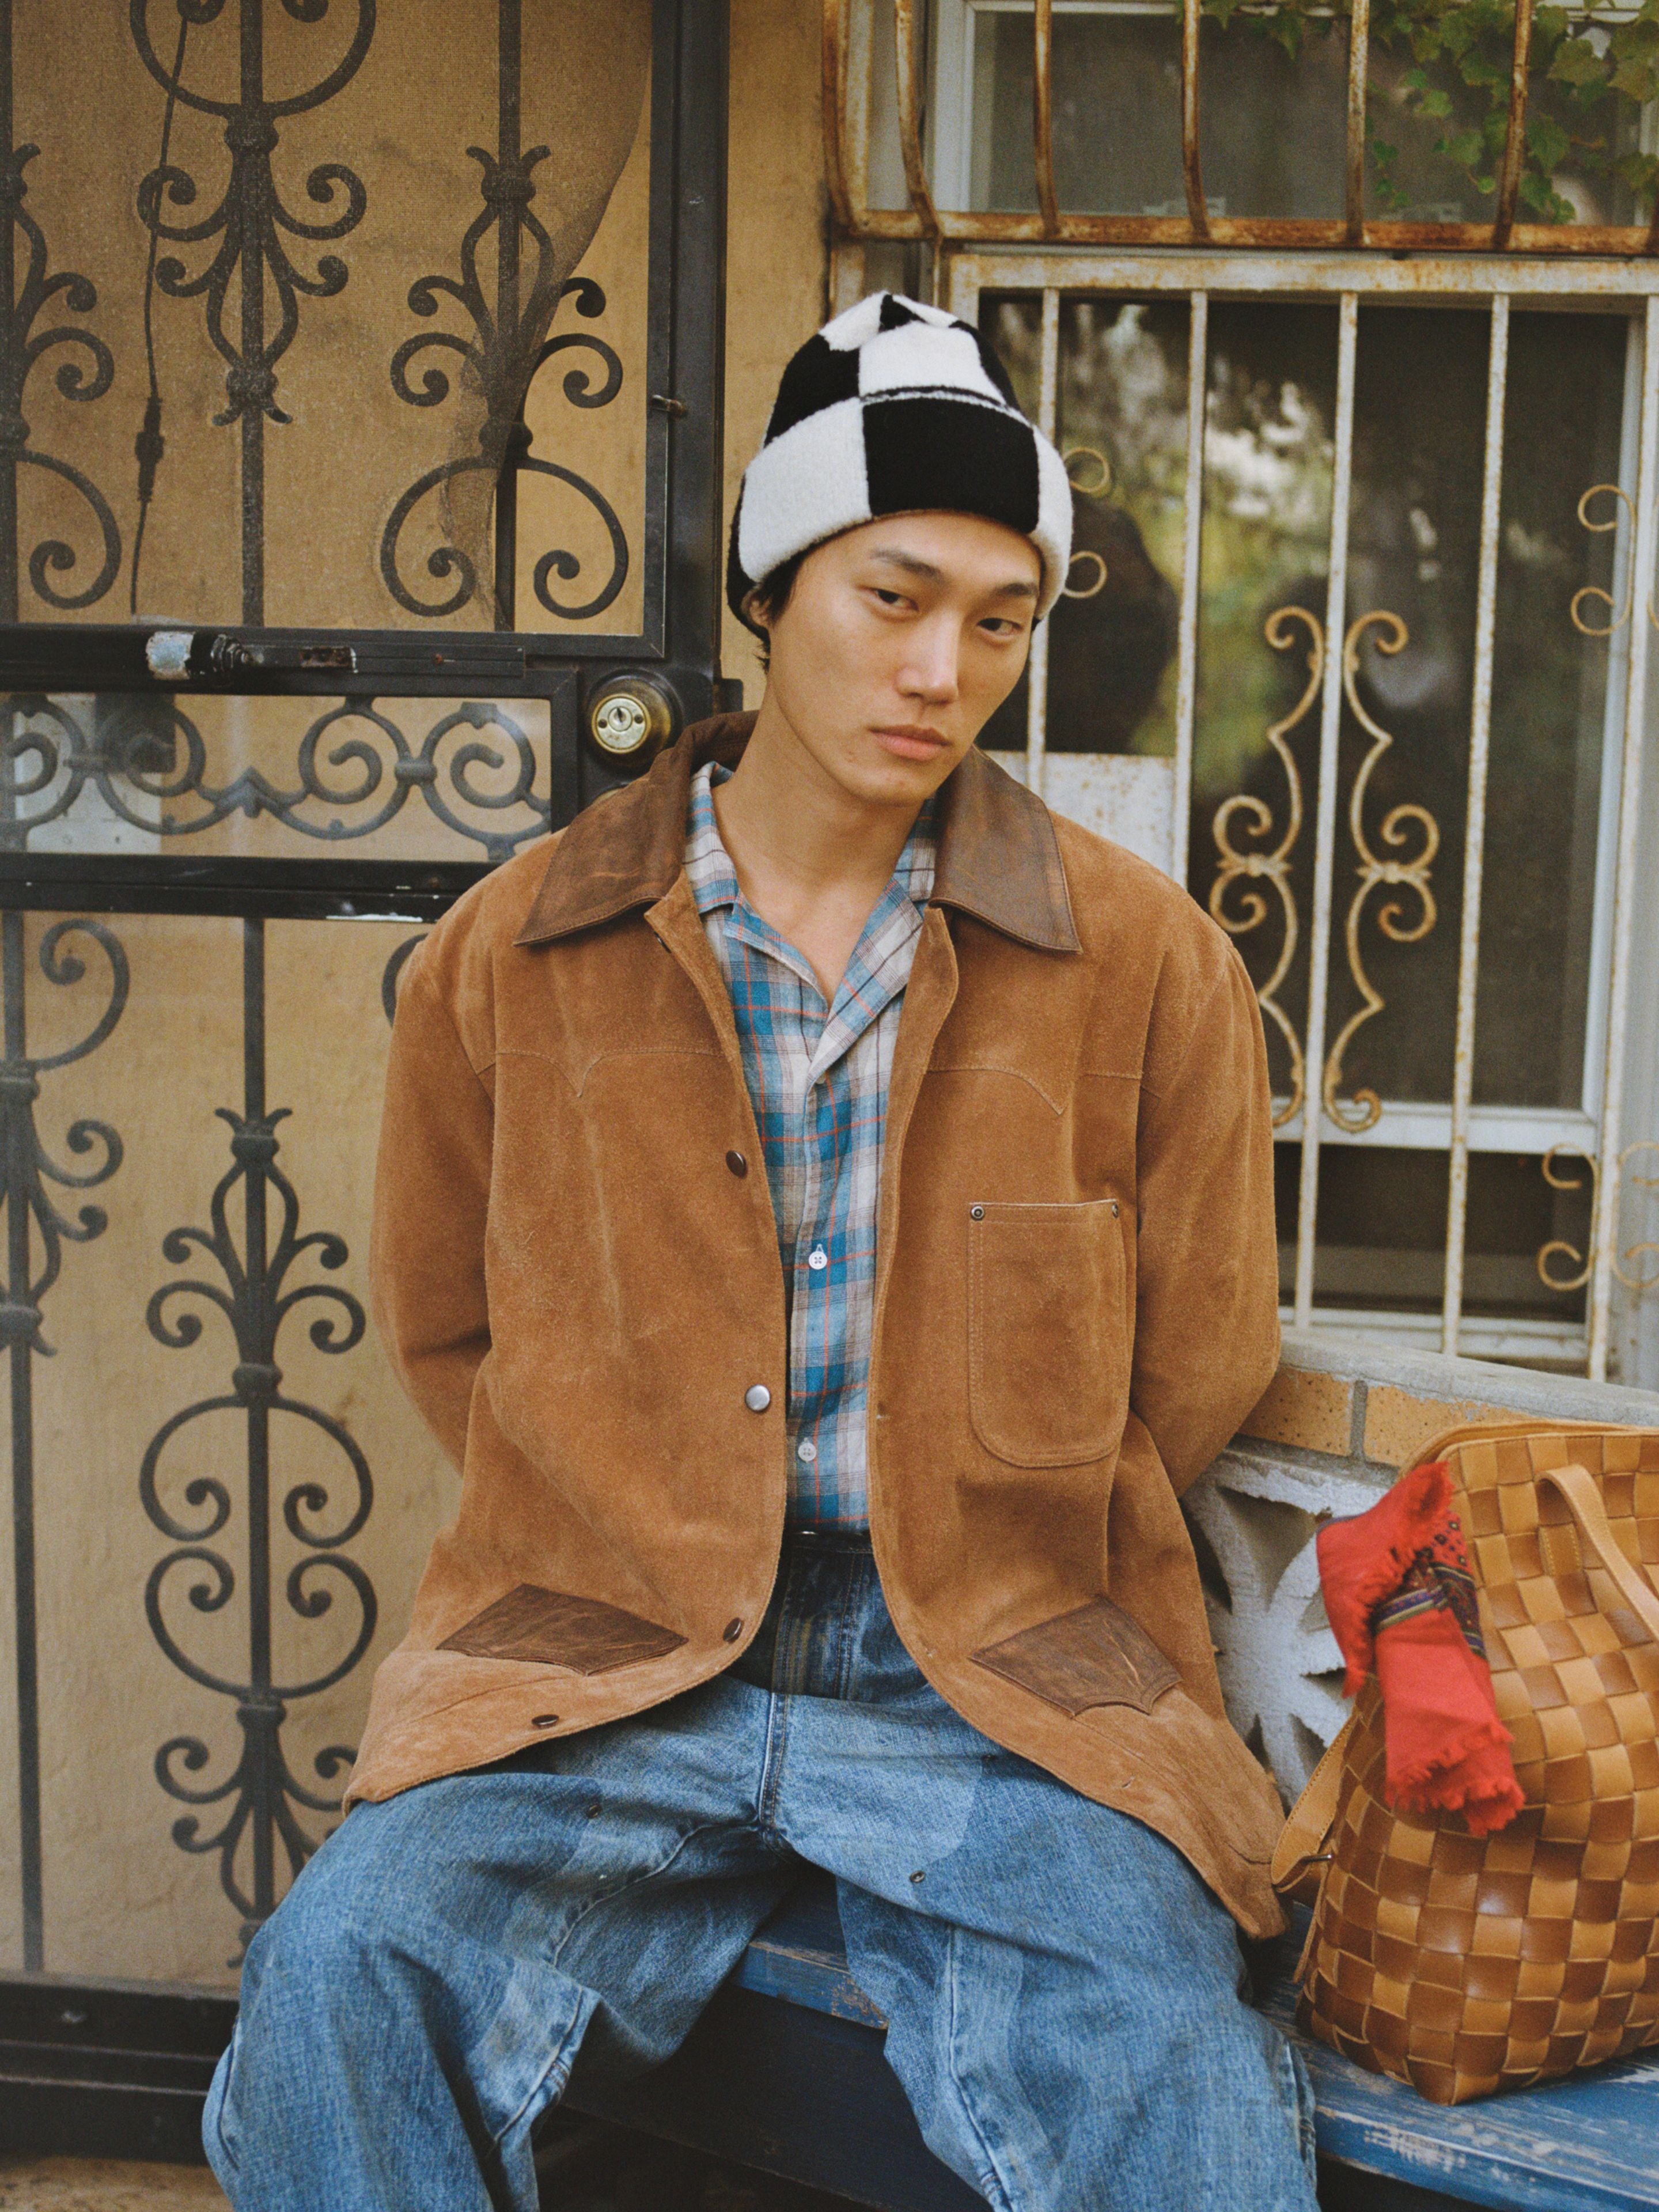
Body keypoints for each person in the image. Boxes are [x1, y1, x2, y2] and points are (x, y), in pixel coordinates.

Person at [203, 292, 1318, 2212]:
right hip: (606, 1664)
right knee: (336, 1978)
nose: (943, 664)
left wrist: (988, 1516)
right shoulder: (516, 950)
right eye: (891, 595)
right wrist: (642, 1507)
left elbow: (1201, 1355)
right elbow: (451, 1328)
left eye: (1001, 616)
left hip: (1002, 1675)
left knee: (1181, 2078)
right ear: (776, 586)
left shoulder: (1145, 965)